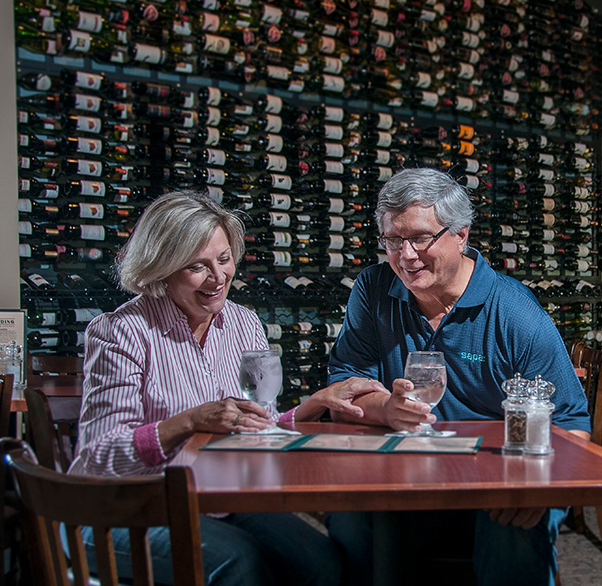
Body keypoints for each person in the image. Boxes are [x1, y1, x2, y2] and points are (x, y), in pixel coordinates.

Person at [68, 190, 385, 586]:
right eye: (196, 267)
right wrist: (188, 423)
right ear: (161, 268)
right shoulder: (121, 332)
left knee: (320, 561)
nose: (218, 278)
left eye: (223, 259)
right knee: (239, 563)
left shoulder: (243, 325)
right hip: (121, 508)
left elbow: (257, 427)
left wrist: (311, 405)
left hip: (213, 501)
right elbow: (100, 456)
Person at [325, 167, 591, 586]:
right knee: (351, 517)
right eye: (393, 240)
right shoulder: (374, 289)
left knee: (511, 525)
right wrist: (387, 409)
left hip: (502, 468)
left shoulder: (515, 312)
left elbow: (572, 424)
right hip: (408, 467)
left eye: (420, 238)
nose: (406, 256)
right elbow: (343, 390)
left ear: (461, 234)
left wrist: (541, 490)